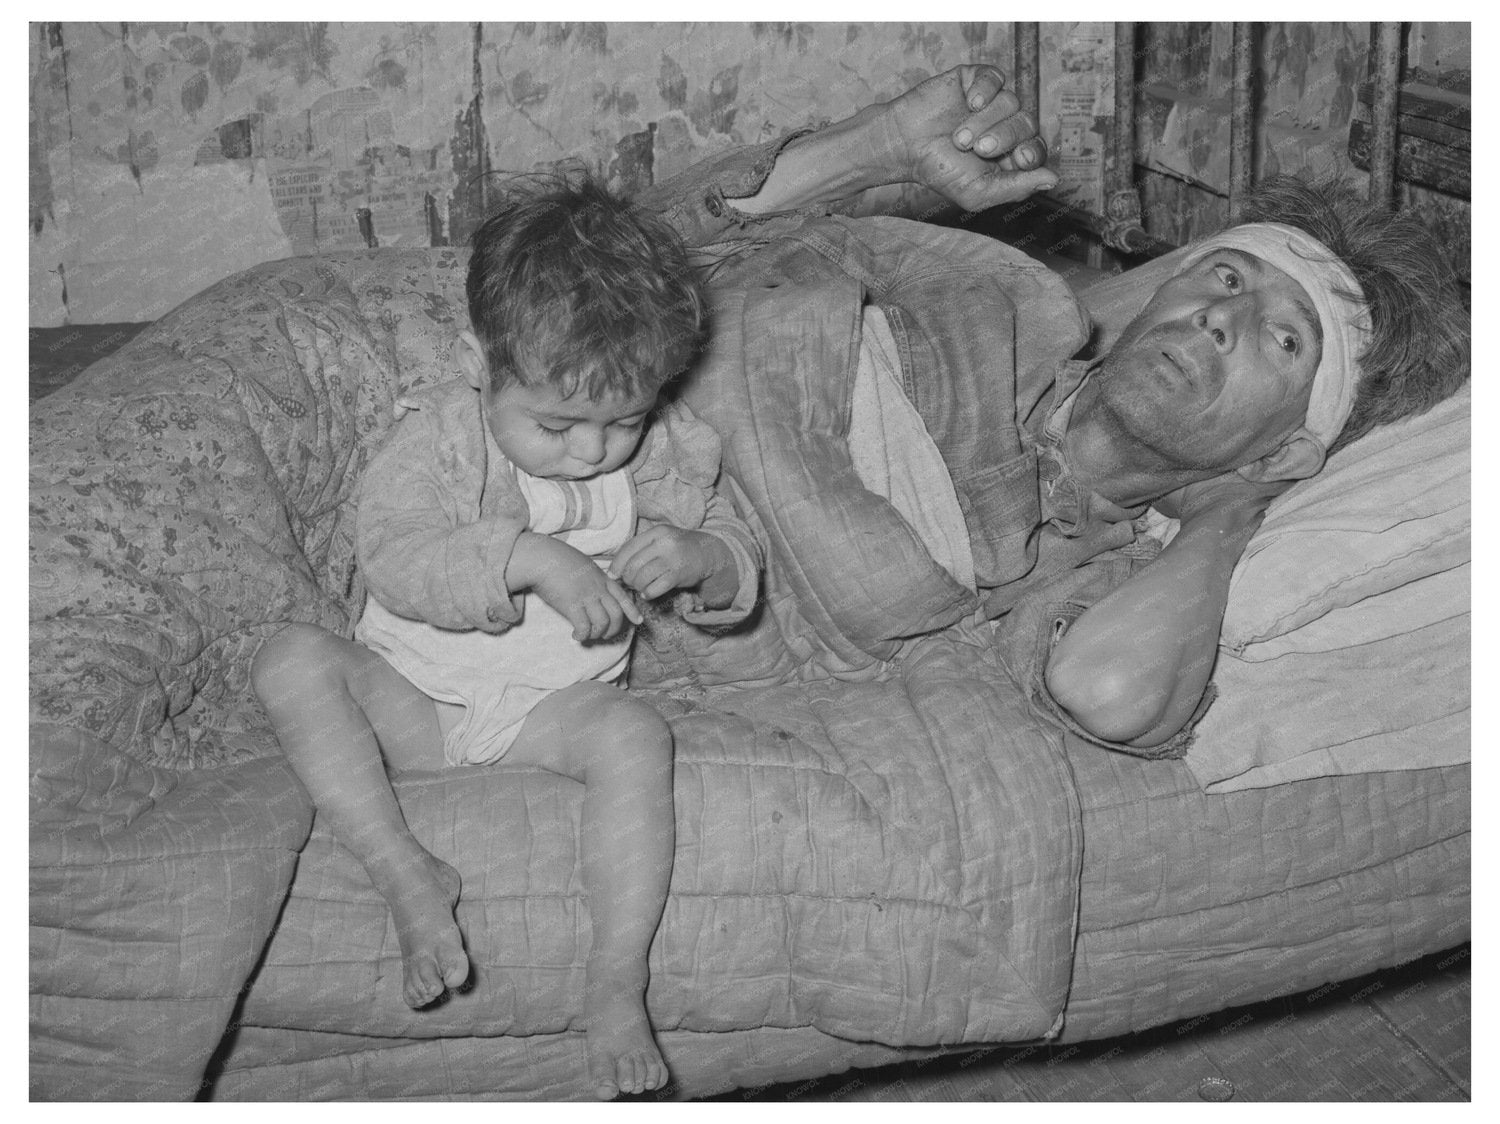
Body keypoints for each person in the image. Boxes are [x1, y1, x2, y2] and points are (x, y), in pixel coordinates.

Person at [642, 63, 1467, 753]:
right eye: (1224, 277)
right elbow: (615, 268)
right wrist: (876, 146)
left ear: (1284, 453)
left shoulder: (1099, 565)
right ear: (1156, 296)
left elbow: (1108, 690)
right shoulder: (986, 301)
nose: (1225, 317)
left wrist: (1227, 515)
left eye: (1283, 341)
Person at [250, 175, 763, 1099]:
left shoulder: (674, 451)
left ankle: (615, 982)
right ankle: (404, 869)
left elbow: (736, 558)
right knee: (289, 659)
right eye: (556, 424)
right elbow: (394, 554)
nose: (591, 452)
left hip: (549, 716)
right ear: (480, 367)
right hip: (415, 705)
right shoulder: (443, 442)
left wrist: (699, 557)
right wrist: (524, 556)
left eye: (624, 420)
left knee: (637, 735)